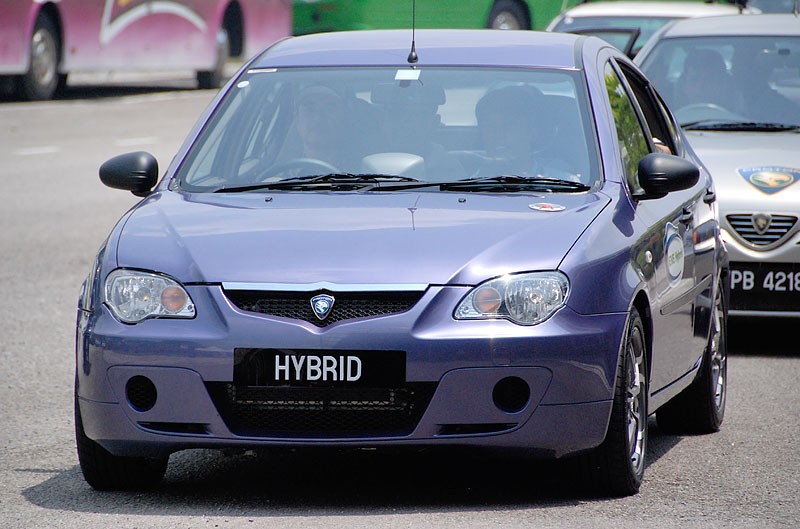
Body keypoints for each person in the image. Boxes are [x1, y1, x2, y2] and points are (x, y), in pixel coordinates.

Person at [474, 85, 579, 179]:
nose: (498, 134)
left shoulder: (565, 185)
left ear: (532, 132)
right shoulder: (468, 186)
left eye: (509, 125)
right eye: (490, 126)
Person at [372, 82, 466, 181]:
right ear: (382, 120)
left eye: (417, 116)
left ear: (434, 123)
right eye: (396, 114)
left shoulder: (450, 170)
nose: (405, 124)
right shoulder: (361, 163)